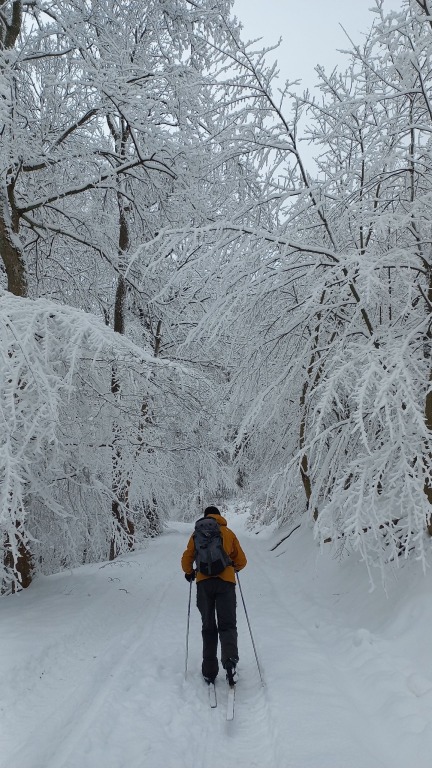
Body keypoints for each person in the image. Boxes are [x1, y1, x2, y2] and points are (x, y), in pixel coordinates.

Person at [181, 505, 247, 685]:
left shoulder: (196, 534)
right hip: (226, 584)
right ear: (219, 516)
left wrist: (189, 572)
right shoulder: (228, 533)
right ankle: (230, 663)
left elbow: (187, 557)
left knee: (208, 627)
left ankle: (209, 672)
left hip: (204, 584)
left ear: (205, 517)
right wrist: (232, 569)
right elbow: (241, 560)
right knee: (227, 625)